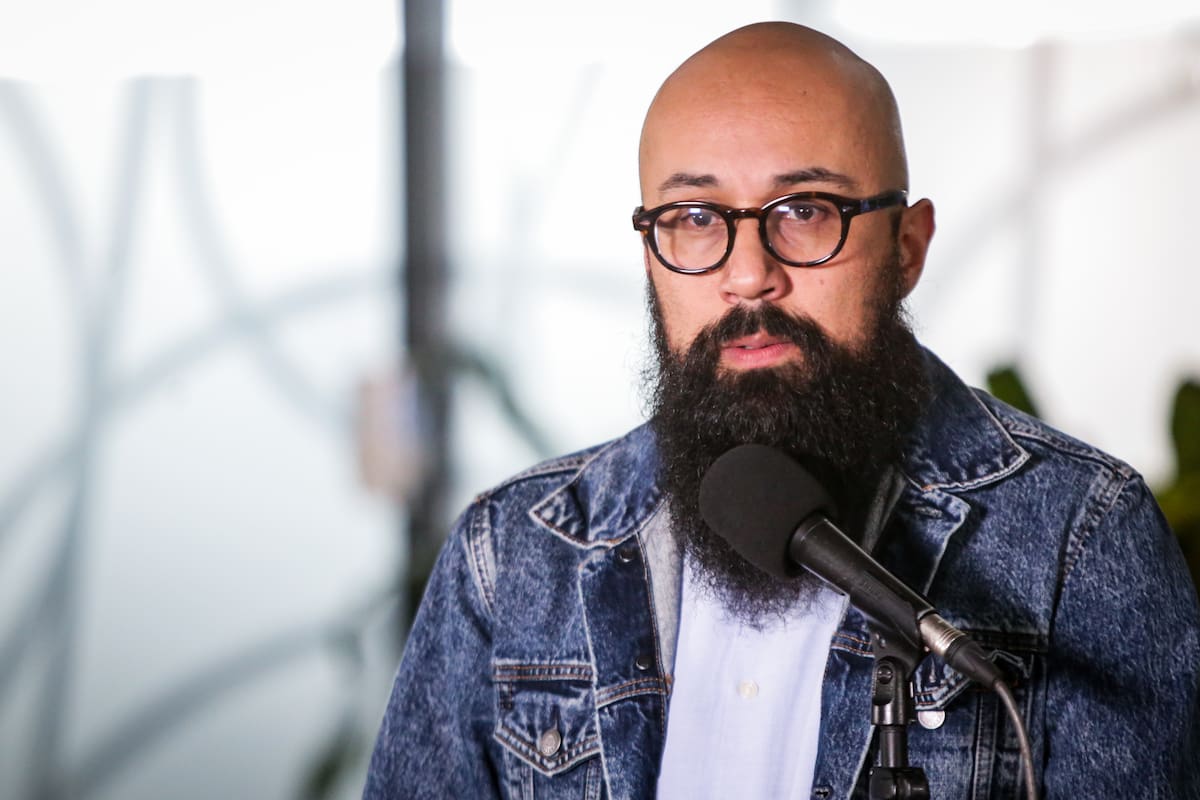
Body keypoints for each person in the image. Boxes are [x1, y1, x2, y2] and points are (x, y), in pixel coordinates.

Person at [363, 22, 1200, 799]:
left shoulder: (1078, 536)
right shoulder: (515, 549)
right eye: (695, 219)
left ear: (906, 248)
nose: (747, 273)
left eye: (805, 212)